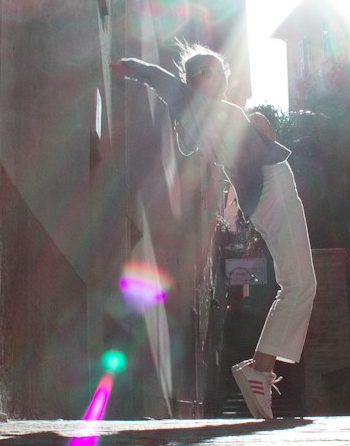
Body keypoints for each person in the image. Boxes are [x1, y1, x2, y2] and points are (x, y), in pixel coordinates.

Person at [111, 43, 316, 420]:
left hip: (263, 190)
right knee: (301, 284)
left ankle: (261, 369)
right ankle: (260, 370)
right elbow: (161, 80)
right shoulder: (194, 104)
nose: (221, 78)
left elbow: (214, 141)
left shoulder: (201, 113)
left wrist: (258, 131)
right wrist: (133, 65)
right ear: (194, 79)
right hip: (271, 184)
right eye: (210, 72)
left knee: (299, 283)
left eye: (221, 72)